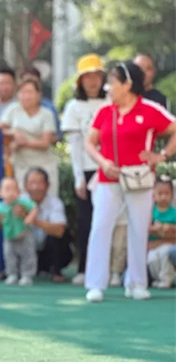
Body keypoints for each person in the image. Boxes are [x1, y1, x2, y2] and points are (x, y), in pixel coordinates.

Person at [83, 61, 176, 302]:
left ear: (127, 84)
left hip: (140, 179)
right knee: (101, 226)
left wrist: (162, 155)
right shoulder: (104, 111)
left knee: (138, 228)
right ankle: (95, 284)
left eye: (112, 82)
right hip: (107, 178)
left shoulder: (149, 110)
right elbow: (89, 143)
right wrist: (103, 163)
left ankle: (136, 283)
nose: (108, 87)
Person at [61, 54, 107, 285]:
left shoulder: (111, 102)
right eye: (87, 77)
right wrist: (79, 177)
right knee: (86, 220)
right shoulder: (74, 106)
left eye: (97, 76)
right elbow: (75, 145)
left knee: (110, 221)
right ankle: (84, 267)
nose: (92, 81)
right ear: (80, 81)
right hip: (87, 171)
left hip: (109, 170)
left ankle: (111, 270)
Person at [0, 77, 59, 196]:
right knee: (22, 202)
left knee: (47, 200)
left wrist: (24, 143)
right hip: (20, 165)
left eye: (30, 92)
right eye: (23, 92)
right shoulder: (13, 110)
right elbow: (1, 129)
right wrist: (13, 133)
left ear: (38, 95)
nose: (26, 96)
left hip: (44, 164)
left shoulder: (46, 114)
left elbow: (46, 142)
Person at [21, 168, 73, 282]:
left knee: (58, 233)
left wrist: (32, 219)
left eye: (39, 183)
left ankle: (56, 270)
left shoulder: (55, 202)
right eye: (32, 183)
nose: (35, 187)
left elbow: (59, 230)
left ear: (47, 185)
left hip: (49, 252)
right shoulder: (18, 202)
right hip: (27, 251)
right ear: (25, 186)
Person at [0, 178, 39, 286]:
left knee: (28, 256)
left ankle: (27, 275)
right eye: (7, 189)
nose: (11, 193)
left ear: (19, 192)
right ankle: (12, 274)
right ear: (0, 193)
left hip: (24, 235)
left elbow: (34, 208)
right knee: (9, 257)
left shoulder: (22, 203)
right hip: (8, 237)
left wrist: (30, 217)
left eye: (14, 189)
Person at [147, 178, 176, 288]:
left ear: (172, 195)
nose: (163, 197)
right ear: (154, 195)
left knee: (165, 253)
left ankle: (166, 278)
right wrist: (156, 228)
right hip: (153, 246)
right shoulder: (151, 211)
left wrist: (169, 227)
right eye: (160, 193)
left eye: (167, 193)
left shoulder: (173, 212)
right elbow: (147, 228)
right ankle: (158, 278)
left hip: (169, 245)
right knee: (151, 258)